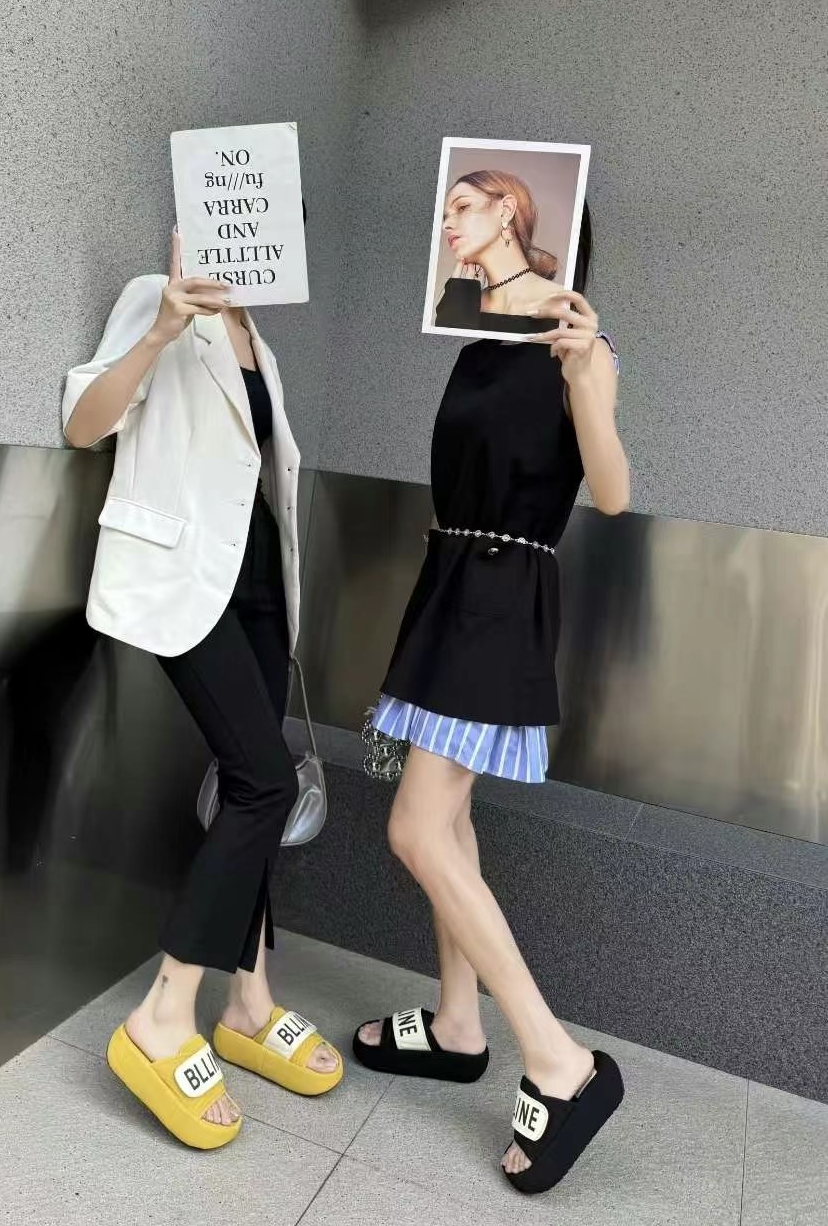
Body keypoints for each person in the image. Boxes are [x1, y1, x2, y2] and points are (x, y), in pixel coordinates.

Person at [354, 206, 630, 1194]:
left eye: (464, 205)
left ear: (519, 217)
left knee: (414, 828)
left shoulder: (581, 349)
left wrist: (582, 374)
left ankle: (558, 1060)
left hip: (503, 598)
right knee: (449, 820)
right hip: (449, 585)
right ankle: (455, 1023)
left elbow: (609, 491)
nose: (448, 222)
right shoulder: (473, 340)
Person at [62, 220, 342, 1152]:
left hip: (256, 582)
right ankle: (164, 1011)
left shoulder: (262, 338)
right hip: (184, 581)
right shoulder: (158, 297)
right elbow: (83, 424)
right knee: (264, 782)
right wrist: (158, 332)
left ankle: (250, 1002)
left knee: (251, 785)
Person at [434, 169, 569, 336]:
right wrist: (451, 320)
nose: (445, 225)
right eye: (445, 217)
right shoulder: (458, 304)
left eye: (462, 207)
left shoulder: (566, 304)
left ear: (506, 210)